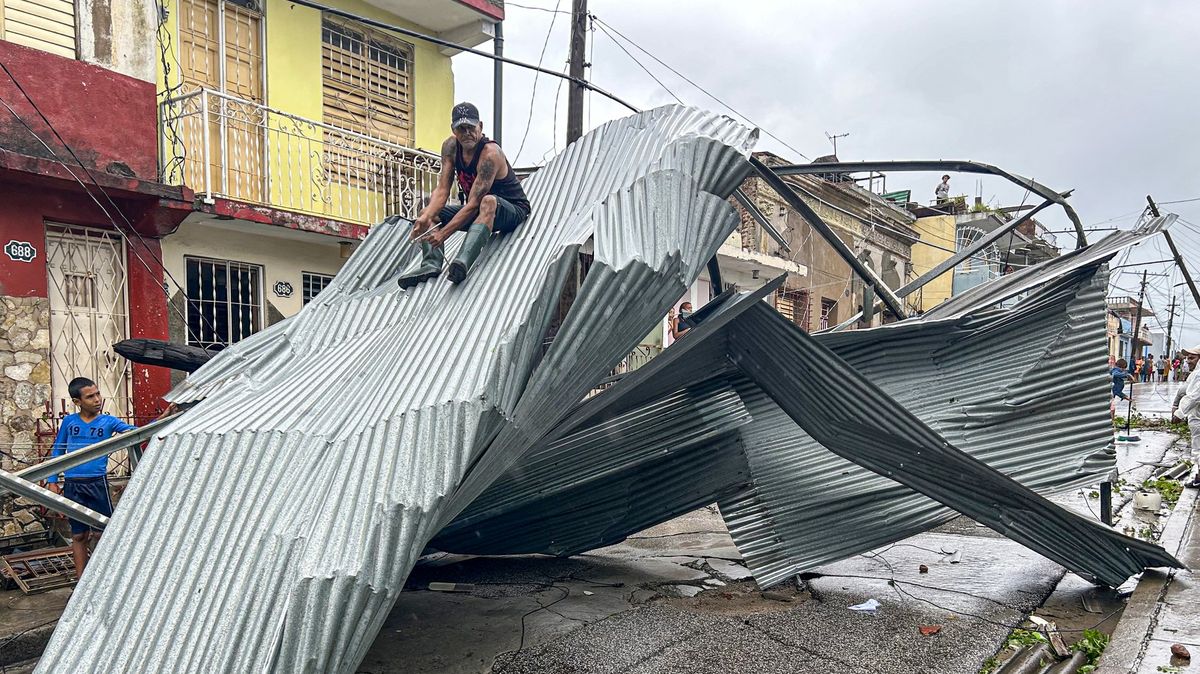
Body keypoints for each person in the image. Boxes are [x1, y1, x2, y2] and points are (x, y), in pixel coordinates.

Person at [44, 377, 176, 578]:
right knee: (79, 535)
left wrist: (163, 418)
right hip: (73, 485)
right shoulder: (69, 422)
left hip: (97, 483)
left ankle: (99, 579)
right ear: (77, 402)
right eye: (90, 396)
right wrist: (52, 481)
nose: (97, 399)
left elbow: (138, 434)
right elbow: (58, 451)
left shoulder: (108, 422)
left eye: (98, 394)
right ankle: (80, 582)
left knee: (101, 532)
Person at [400, 102, 532, 288]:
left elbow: (473, 205)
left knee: (488, 201)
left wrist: (444, 234)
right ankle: (431, 264)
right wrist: (426, 217)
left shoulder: (490, 154)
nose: (467, 133)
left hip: (510, 210)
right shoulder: (450, 148)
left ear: (481, 127)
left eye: (471, 127)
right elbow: (443, 189)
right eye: (461, 128)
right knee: (428, 211)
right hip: (480, 211)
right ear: (454, 130)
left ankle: (461, 263)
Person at [1171, 346, 1200, 488]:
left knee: (1198, 450)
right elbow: (1184, 391)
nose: (1188, 361)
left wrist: (1179, 413)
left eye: (1192, 358)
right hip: (1195, 416)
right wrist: (1176, 406)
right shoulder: (1195, 374)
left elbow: (1194, 397)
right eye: (1187, 358)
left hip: (1198, 417)